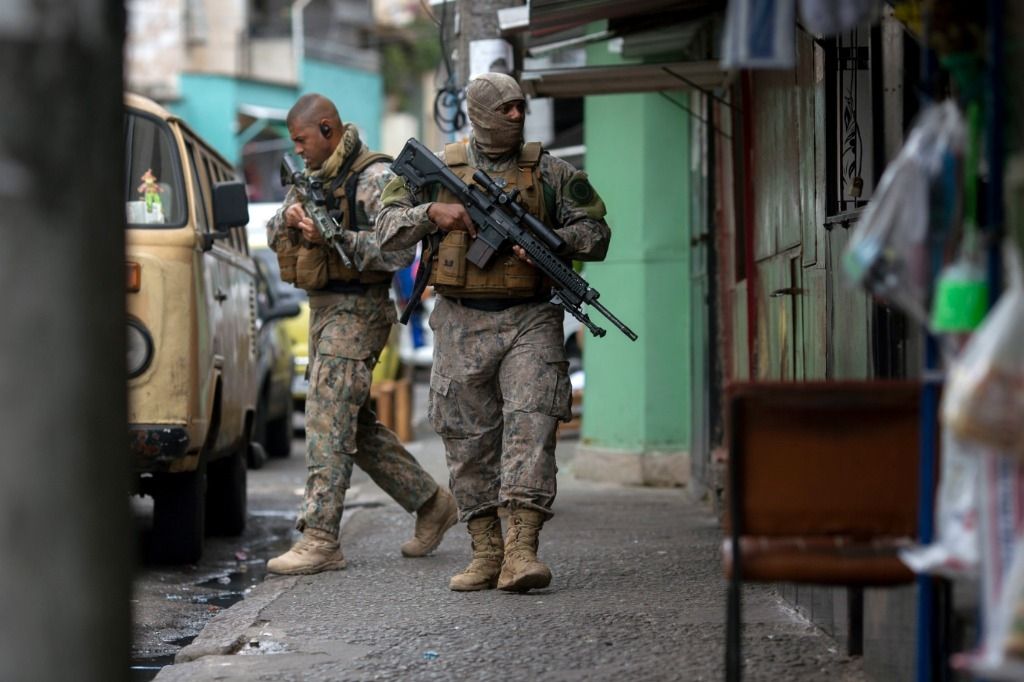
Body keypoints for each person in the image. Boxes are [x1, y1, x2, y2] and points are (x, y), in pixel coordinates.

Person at [375, 73, 611, 592]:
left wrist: (554, 241)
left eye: (520, 106)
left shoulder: (549, 171)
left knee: (533, 424)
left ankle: (522, 552)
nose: (515, 114)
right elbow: (384, 226)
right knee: (466, 437)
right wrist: (431, 213)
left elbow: (597, 232)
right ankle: (486, 552)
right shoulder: (441, 169)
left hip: (530, 315)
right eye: (504, 107)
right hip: (460, 319)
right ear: (479, 113)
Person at [266, 93, 457, 575]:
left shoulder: (374, 179)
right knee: (354, 424)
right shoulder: (310, 179)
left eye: (303, 140)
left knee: (327, 415)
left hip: (360, 309)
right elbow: (272, 230)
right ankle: (432, 504)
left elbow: (397, 252)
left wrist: (337, 239)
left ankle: (321, 537)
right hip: (323, 309)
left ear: (328, 130)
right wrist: (289, 222)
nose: (300, 149)